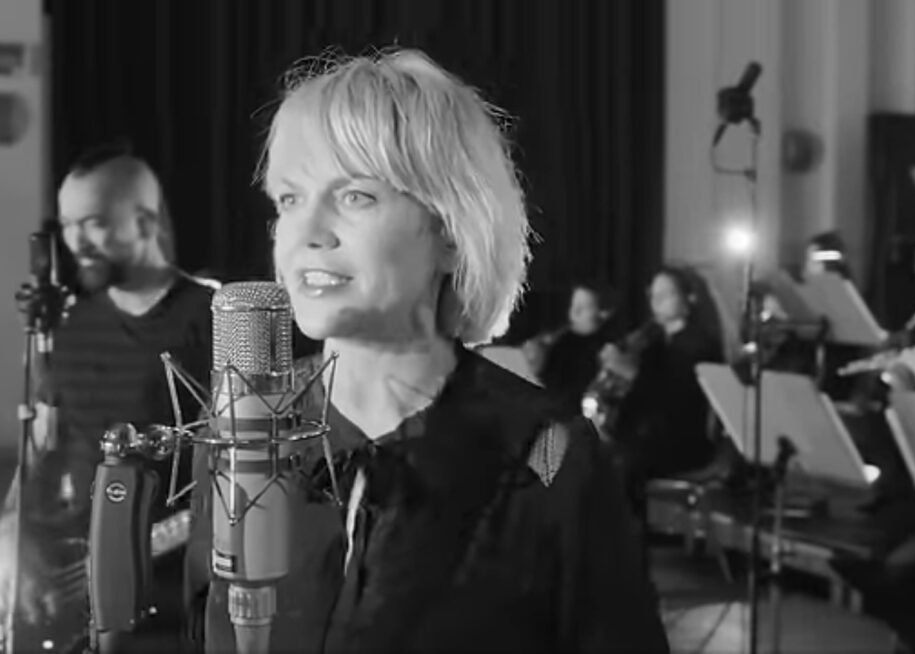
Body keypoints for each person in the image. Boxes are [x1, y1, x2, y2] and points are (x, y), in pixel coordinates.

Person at [186, 48, 668, 653]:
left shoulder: (547, 453)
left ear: (450, 231)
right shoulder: (237, 429)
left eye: (355, 196)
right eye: (289, 199)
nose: (307, 233)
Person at [0, 144, 213, 653]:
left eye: (94, 223)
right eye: (68, 225)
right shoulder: (69, 326)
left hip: (173, 586)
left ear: (145, 222)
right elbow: (40, 451)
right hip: (75, 576)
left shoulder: (210, 319)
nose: (76, 242)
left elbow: (235, 473)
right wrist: (13, 540)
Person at [603, 267, 724, 483]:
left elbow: (673, 398)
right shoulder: (653, 342)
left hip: (680, 443)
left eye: (666, 294)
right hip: (647, 437)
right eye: (653, 294)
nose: (656, 301)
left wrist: (630, 372)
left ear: (690, 298)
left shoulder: (699, 345)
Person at [524, 281, 618, 406]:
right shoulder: (556, 326)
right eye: (574, 304)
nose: (574, 311)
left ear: (602, 315)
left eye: (582, 307)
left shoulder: (593, 356)